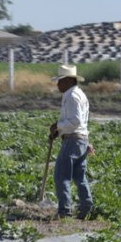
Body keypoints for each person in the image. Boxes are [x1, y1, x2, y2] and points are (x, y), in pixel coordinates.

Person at [49, 64, 94, 219]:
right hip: (81, 139)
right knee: (79, 176)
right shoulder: (79, 94)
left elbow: (75, 121)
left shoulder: (72, 96)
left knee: (62, 176)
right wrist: (59, 131)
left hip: (73, 140)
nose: (57, 84)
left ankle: (65, 211)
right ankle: (86, 207)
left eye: (60, 81)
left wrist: (57, 126)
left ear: (68, 80)